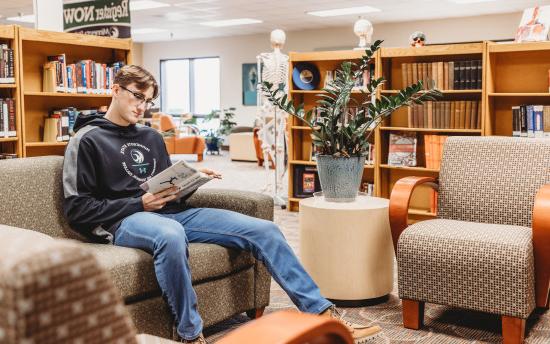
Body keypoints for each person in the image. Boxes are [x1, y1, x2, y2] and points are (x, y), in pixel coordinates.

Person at [62, 65, 381, 344]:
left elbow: (164, 188)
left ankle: (325, 315)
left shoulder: (151, 138)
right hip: (127, 221)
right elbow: (78, 209)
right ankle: (190, 334)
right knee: (170, 235)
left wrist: (187, 182)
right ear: (116, 90)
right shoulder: (87, 139)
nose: (142, 106)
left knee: (265, 230)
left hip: (172, 213)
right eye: (137, 97)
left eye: (148, 101)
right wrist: (139, 203)